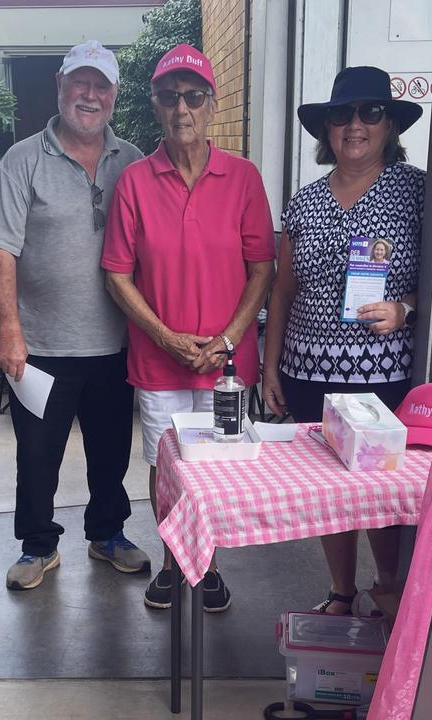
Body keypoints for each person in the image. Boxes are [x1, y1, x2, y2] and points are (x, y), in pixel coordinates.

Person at [102, 44, 275, 612]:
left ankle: (209, 566)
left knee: (220, 467)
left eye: (194, 96)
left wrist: (225, 340)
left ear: (211, 105)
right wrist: (167, 337)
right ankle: (178, 563)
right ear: (155, 104)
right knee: (166, 467)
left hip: (226, 366)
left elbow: (262, 269)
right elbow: (118, 276)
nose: (183, 108)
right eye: (170, 96)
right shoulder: (133, 181)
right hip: (159, 363)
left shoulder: (244, 178)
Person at [0, 41, 150, 592]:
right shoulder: (24, 159)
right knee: (38, 455)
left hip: (117, 343)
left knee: (110, 452)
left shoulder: (135, 162)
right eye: (81, 83)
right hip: (42, 345)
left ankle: (107, 534)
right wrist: (10, 332)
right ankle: (38, 545)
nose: (90, 95)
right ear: (60, 85)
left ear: (115, 95)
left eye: (101, 86)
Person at [261, 66, 424, 618]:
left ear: (389, 126)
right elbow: (281, 291)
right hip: (309, 371)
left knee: (381, 491)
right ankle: (340, 589)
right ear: (326, 129)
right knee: (330, 491)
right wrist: (270, 369)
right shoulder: (303, 202)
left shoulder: (417, 190)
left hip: (382, 373)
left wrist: (406, 309)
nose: (355, 125)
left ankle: (389, 584)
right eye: (341, 115)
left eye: (369, 113)